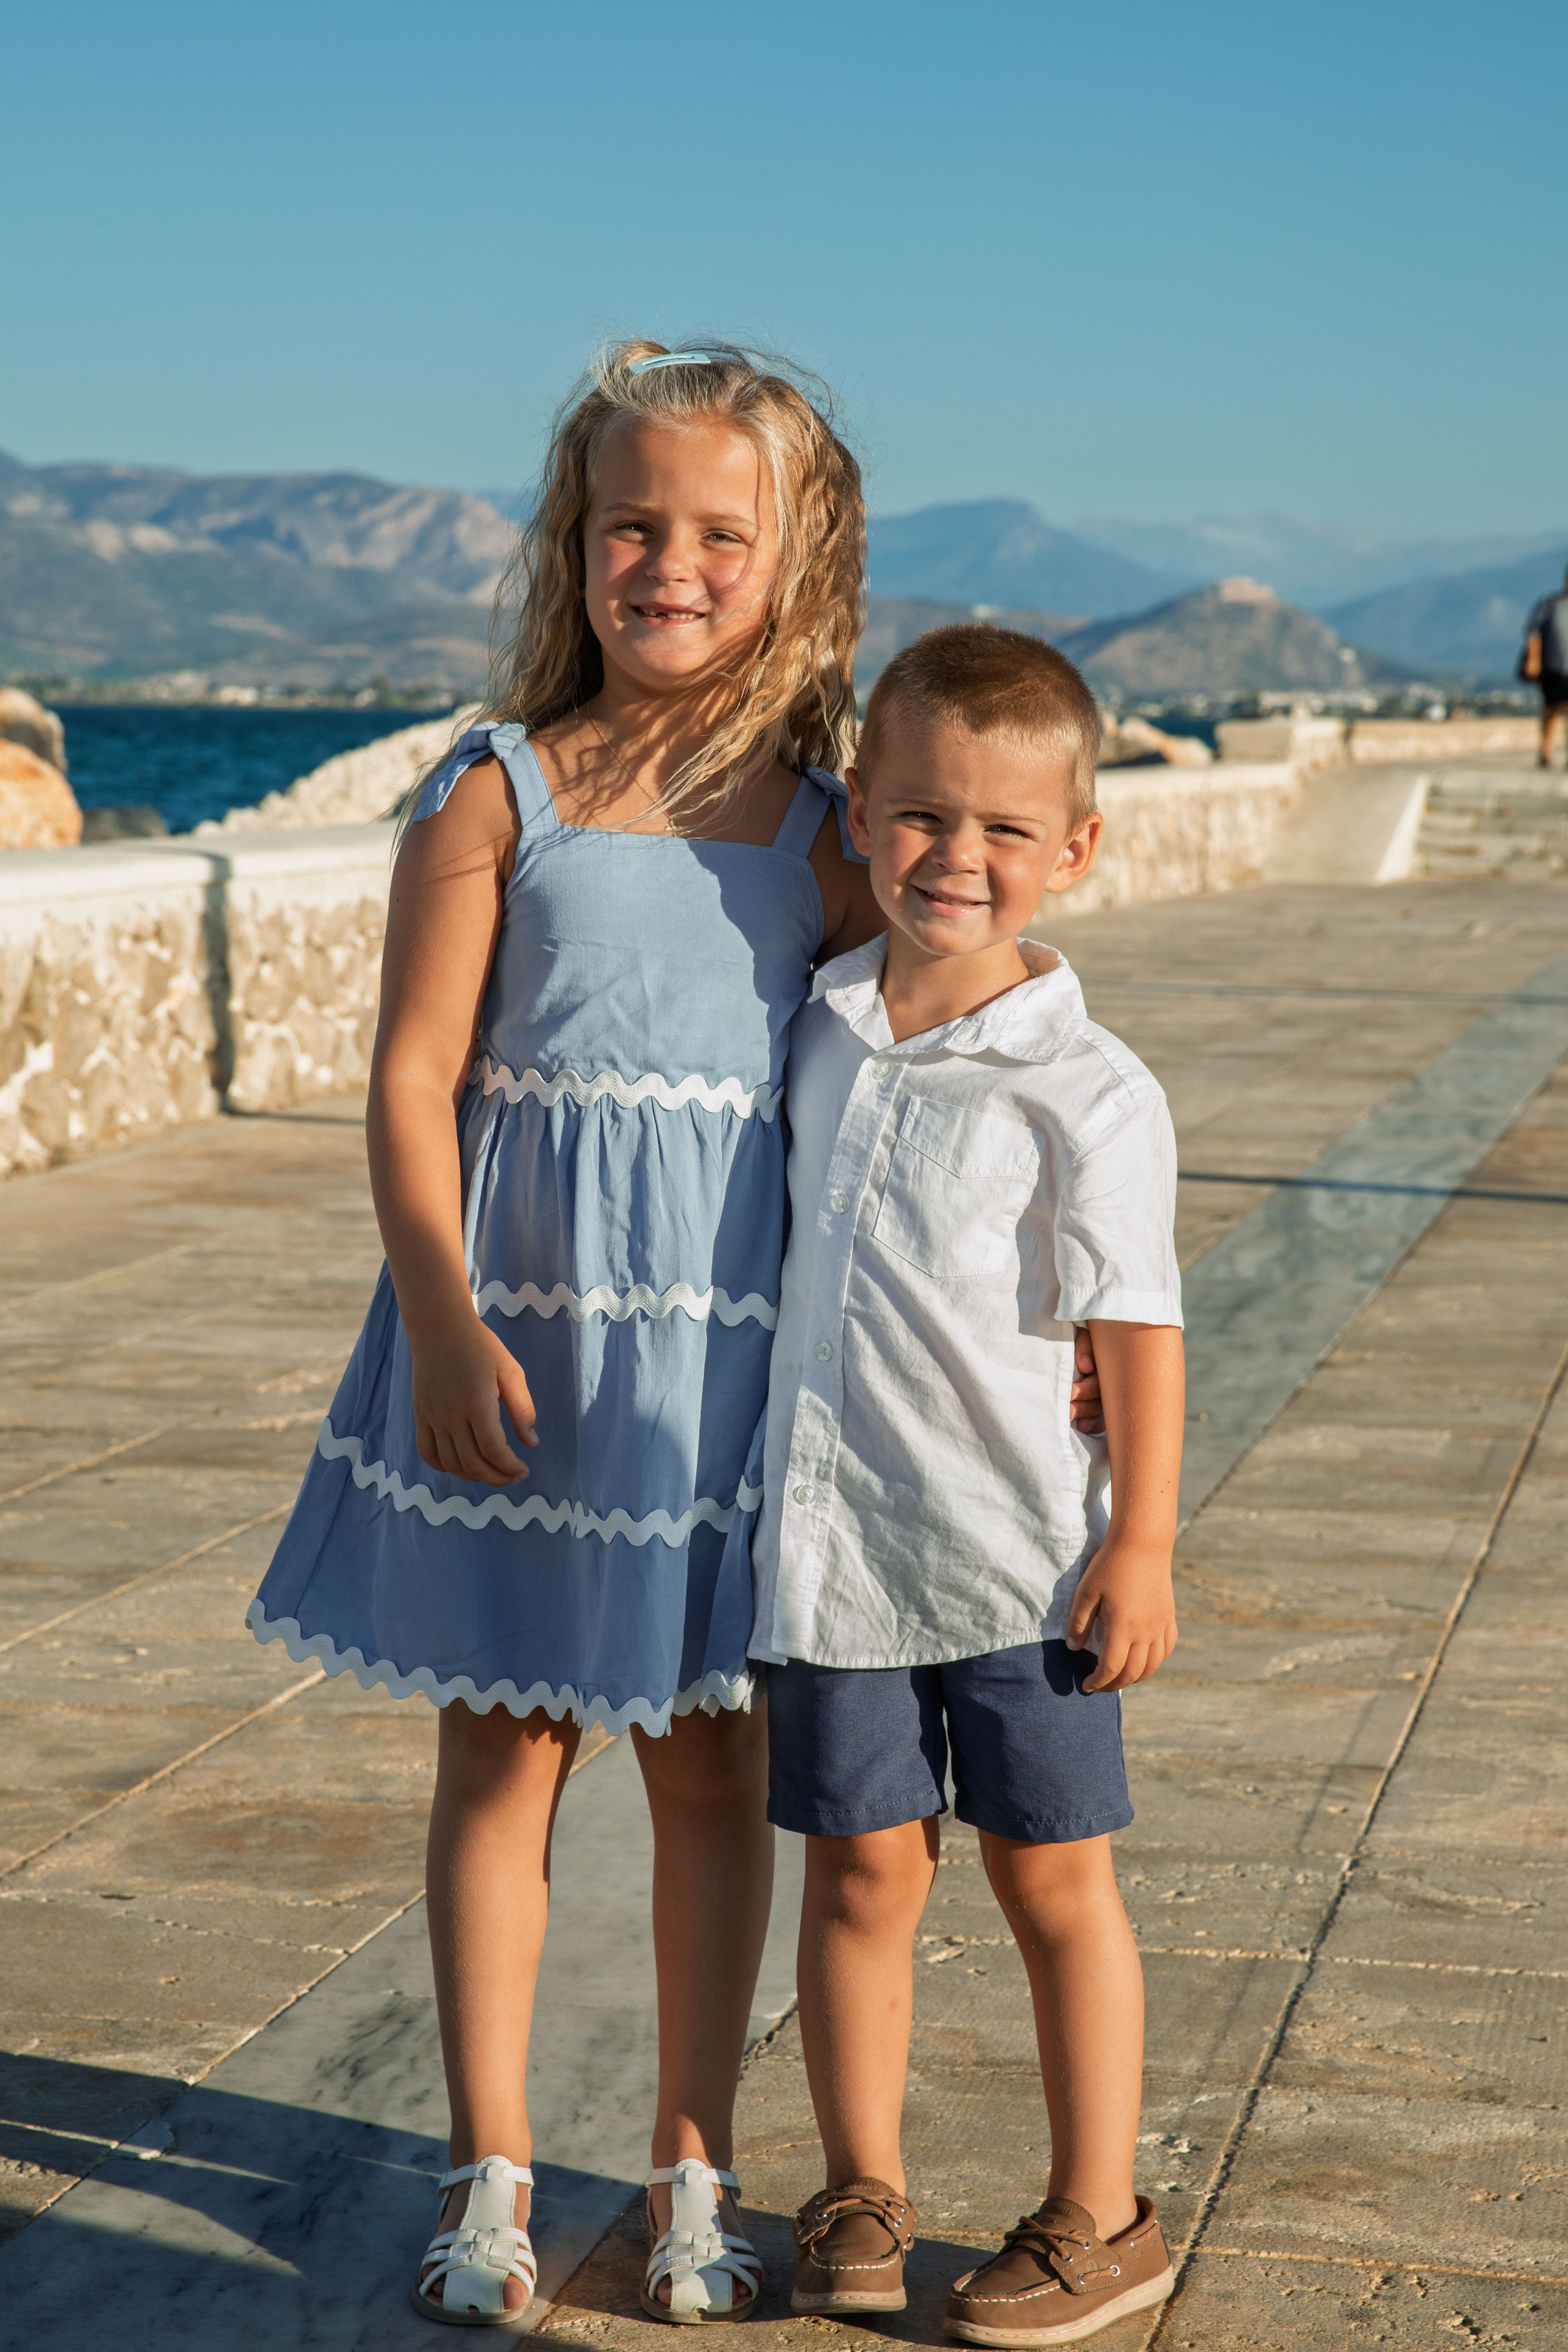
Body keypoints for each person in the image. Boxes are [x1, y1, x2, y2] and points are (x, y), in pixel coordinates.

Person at [246, 339, 880, 2326]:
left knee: (709, 1766)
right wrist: (439, 1322)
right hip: (514, 1349)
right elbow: (409, 1077)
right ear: (573, 542)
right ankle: (491, 2170)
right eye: (630, 525)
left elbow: (900, 1101)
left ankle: (696, 2167)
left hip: (716, 1381)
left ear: (797, 561)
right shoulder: (494, 790)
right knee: (501, 1752)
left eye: (719, 534)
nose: (668, 565)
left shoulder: (829, 834)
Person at [748, 623, 1186, 2346]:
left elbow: (1135, 1325)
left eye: (1007, 828)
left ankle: (1100, 2212)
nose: (957, 855)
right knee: (860, 1874)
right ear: (859, 814)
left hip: (1023, 1563)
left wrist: (1142, 1540)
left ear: (1074, 848)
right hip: (834, 1560)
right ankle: (860, 2184)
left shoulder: (1091, 1089)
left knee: (1051, 1877)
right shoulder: (813, 1029)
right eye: (923, 814)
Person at [1521, 565, 1568, 769]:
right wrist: (1532, 660)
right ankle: (1545, 751)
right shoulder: (1550, 605)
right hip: (1552, 667)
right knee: (1551, 709)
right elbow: (1534, 633)